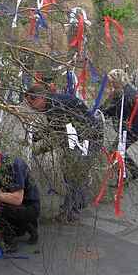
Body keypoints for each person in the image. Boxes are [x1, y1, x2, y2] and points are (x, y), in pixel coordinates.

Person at [25, 83, 102, 223]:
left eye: (31, 103)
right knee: (73, 173)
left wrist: (36, 149)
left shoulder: (56, 106)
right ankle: (76, 204)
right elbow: (53, 129)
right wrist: (34, 138)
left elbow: (56, 134)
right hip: (80, 137)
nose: (31, 108)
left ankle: (71, 212)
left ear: (40, 98)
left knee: (74, 173)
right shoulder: (50, 104)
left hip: (89, 137)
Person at [103, 69, 138, 180]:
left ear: (117, 80)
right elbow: (112, 106)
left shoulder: (125, 94)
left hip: (133, 128)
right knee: (120, 149)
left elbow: (116, 110)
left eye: (112, 82)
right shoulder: (123, 90)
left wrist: (103, 113)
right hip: (131, 127)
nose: (110, 84)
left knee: (116, 151)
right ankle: (136, 172)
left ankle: (122, 178)